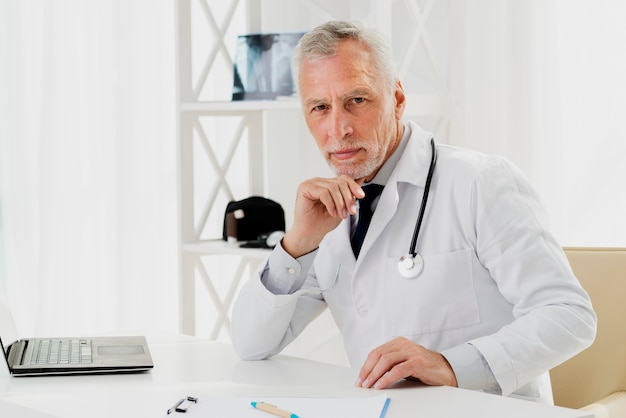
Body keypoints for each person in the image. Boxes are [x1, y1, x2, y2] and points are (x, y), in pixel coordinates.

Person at [230, 20, 596, 403]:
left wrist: (452, 366)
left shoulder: (479, 182)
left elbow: (569, 315)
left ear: (398, 99)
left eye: (357, 100)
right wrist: (298, 243)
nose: (338, 129)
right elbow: (250, 343)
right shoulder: (328, 212)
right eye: (320, 107)